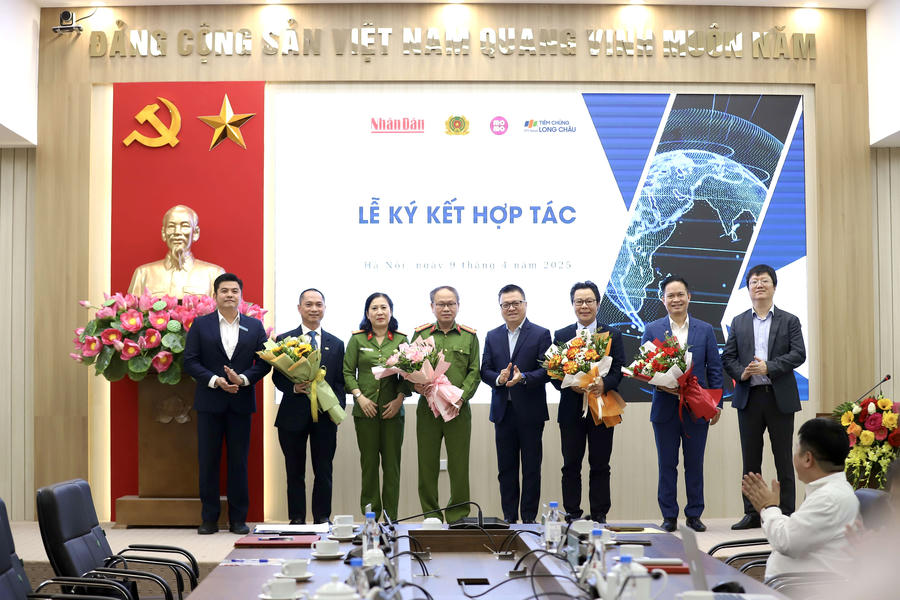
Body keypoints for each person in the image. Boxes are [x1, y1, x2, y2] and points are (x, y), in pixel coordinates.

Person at [183, 272, 270, 534]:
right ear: (215, 295)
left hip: (241, 403)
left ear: (241, 296)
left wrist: (243, 379)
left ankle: (238, 519)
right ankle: (209, 519)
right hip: (210, 402)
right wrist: (214, 380)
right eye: (224, 291)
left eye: (234, 291)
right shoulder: (201, 325)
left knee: (238, 462)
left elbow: (265, 363)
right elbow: (190, 361)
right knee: (208, 461)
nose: (229, 295)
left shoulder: (254, 326)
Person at [723, 264, 806, 529]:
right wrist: (743, 372)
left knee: (783, 457)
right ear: (748, 289)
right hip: (750, 397)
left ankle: (787, 511)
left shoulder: (789, 320)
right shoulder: (738, 322)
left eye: (764, 281)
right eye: (754, 282)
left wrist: (769, 367)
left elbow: (798, 354)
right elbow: (728, 358)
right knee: (750, 459)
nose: (759, 285)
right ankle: (752, 512)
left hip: (779, 397)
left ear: (774, 286)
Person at [642, 275, 723, 532]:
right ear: (662, 299)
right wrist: (660, 384)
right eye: (670, 295)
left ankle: (694, 514)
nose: (675, 299)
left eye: (680, 295)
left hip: (697, 407)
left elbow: (715, 369)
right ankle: (668, 516)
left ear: (689, 297)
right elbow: (645, 368)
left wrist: (716, 404)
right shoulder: (652, 329)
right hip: (665, 408)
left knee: (694, 463)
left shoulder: (705, 329)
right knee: (667, 464)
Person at [741, 417, 859, 579]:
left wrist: (769, 507)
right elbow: (798, 532)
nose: (794, 454)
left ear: (807, 459)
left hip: (801, 588)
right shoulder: (829, 491)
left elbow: (786, 542)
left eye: (797, 448)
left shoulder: (828, 498)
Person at [553, 281, 625, 524]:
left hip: (602, 407)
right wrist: (569, 384)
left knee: (600, 464)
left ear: (598, 303)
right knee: (570, 465)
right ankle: (572, 514)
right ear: (572, 304)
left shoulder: (613, 334)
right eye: (579, 301)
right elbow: (553, 372)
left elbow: (618, 368)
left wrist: (604, 384)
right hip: (571, 409)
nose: (584, 306)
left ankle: (599, 514)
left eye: (589, 301)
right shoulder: (561, 335)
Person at [272, 289, 346, 524]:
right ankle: (296, 519)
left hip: (325, 416)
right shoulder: (285, 339)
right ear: (299, 308)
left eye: (318, 304)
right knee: (294, 471)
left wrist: (337, 410)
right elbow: (277, 377)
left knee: (324, 471)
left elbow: (340, 382)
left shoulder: (336, 343)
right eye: (309, 304)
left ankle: (322, 518)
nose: (314, 309)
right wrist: (293, 388)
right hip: (292, 416)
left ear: (324, 308)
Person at [480, 284, 552, 524]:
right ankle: (509, 519)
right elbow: (485, 370)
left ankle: (529, 520)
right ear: (500, 307)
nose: (511, 308)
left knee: (531, 469)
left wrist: (525, 378)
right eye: (506, 304)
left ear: (525, 305)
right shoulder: (492, 336)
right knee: (506, 470)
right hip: (503, 412)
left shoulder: (541, 334)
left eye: (516, 303)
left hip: (531, 412)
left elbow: (548, 371)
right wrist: (498, 379)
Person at [411, 285, 481, 524]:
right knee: (426, 465)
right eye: (441, 304)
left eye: (451, 303)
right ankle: (431, 515)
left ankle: (458, 515)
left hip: (457, 410)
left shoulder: (469, 336)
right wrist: (416, 386)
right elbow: (408, 367)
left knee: (459, 466)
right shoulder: (420, 335)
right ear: (432, 307)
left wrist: (461, 398)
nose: (446, 308)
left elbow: (474, 372)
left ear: (458, 306)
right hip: (427, 410)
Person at [343, 292, 411, 520]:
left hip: (393, 413)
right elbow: (347, 372)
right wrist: (359, 397)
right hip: (366, 412)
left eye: (384, 307)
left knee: (392, 467)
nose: (379, 312)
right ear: (367, 313)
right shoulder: (358, 339)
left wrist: (399, 399)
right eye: (374, 308)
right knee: (369, 466)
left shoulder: (401, 340)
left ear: (391, 311)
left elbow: (410, 374)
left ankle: (391, 518)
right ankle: (370, 518)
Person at [128, 204, 224, 298]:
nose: (177, 232)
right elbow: (132, 307)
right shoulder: (143, 273)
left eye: (185, 226)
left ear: (195, 233)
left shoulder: (214, 274)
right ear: (164, 233)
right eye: (171, 226)